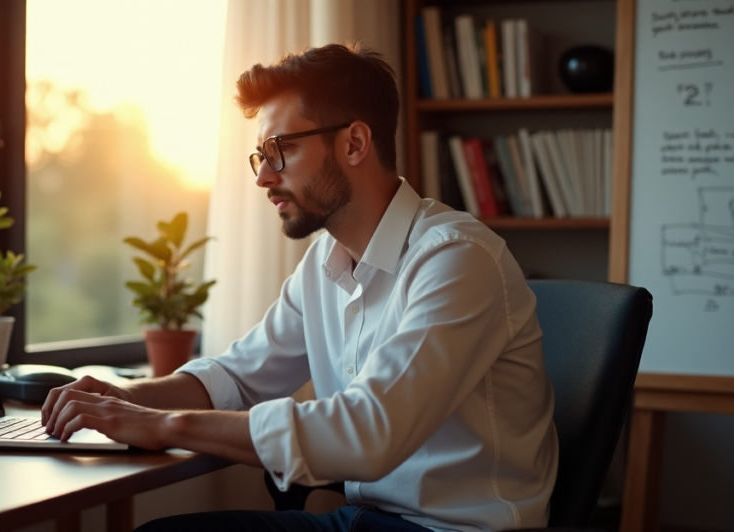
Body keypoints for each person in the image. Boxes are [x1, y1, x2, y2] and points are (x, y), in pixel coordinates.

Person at [41, 43, 558, 532]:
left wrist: (163, 425)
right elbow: (237, 378)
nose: (264, 176)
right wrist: (123, 398)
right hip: (360, 520)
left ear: (354, 143)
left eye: (280, 149)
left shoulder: (456, 258)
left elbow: (370, 431)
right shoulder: (323, 264)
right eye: (259, 155)